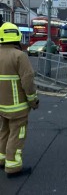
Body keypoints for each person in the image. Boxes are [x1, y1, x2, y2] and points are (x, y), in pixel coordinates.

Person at [0, 22, 39, 178]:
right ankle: (13, 166)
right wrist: (33, 101)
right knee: (17, 135)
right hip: (17, 108)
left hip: (1, 106)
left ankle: (2, 159)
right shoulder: (19, 56)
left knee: (4, 132)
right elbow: (28, 82)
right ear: (17, 36)